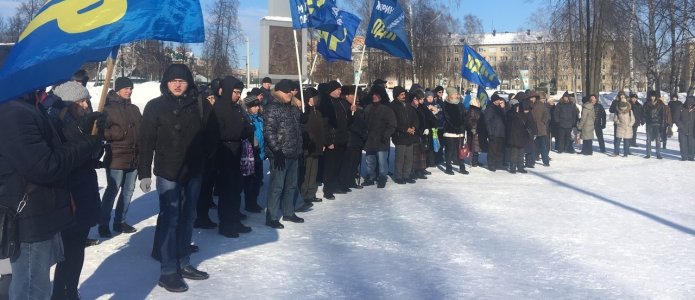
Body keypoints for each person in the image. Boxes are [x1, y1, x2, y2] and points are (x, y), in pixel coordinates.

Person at [0, 91, 102, 300]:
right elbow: (44, 166)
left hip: (40, 213)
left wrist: (79, 129)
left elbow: (48, 144)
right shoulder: (14, 111)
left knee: (36, 286)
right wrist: (86, 143)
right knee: (31, 290)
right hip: (29, 216)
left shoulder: (26, 106)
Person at [139, 64, 216, 292]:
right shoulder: (155, 106)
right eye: (173, 80)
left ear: (189, 82)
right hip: (168, 172)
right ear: (166, 82)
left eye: (182, 80)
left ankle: (183, 262)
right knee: (171, 219)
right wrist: (144, 172)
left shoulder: (200, 105)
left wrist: (203, 161)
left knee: (188, 216)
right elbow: (146, 141)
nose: (177, 84)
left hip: (193, 172)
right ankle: (168, 271)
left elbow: (213, 136)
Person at [45, 81, 105, 300]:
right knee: (63, 251)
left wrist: (98, 140)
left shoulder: (84, 121)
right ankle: (59, 293)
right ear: (68, 103)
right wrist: (85, 138)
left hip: (85, 192)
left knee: (77, 249)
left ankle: (71, 291)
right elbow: (63, 156)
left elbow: (89, 157)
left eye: (86, 99)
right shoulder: (54, 123)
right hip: (66, 195)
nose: (86, 104)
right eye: (80, 101)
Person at [99, 77, 142, 238]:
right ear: (118, 89)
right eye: (126, 88)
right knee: (112, 190)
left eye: (131, 88)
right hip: (116, 155)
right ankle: (103, 223)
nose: (129, 91)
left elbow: (141, 127)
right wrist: (115, 134)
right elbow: (100, 130)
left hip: (133, 155)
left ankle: (120, 221)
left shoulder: (135, 109)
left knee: (129, 191)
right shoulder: (108, 109)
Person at [213, 76, 254, 238]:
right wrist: (241, 132)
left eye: (239, 92)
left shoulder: (237, 108)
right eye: (236, 92)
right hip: (225, 155)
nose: (238, 95)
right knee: (226, 193)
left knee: (236, 191)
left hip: (238, 153)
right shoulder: (219, 108)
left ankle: (235, 220)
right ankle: (226, 224)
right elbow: (220, 132)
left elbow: (247, 126)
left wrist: (244, 130)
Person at [264, 79, 305, 229]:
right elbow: (269, 132)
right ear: (279, 91)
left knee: (291, 185)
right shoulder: (272, 107)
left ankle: (288, 212)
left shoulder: (291, 108)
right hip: (280, 154)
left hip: (293, 152)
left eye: (291, 91)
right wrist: (276, 151)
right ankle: (272, 216)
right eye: (287, 91)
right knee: (277, 186)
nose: (290, 94)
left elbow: (297, 128)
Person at [319, 81, 352, 199]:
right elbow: (325, 125)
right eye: (337, 89)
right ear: (331, 90)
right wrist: (329, 141)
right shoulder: (326, 103)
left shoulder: (342, 103)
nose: (340, 91)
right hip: (332, 140)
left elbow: (346, 121)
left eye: (340, 89)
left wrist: (351, 112)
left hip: (342, 138)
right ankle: (328, 189)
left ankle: (336, 184)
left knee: (339, 164)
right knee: (330, 166)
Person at [362, 85, 397, 188]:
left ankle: (382, 177)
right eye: (373, 94)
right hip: (370, 139)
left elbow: (392, 125)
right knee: (370, 161)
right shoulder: (368, 108)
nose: (374, 96)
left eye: (377, 95)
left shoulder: (387, 109)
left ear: (381, 96)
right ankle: (371, 177)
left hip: (382, 140)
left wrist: (386, 135)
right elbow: (363, 122)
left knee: (382, 163)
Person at [299, 87, 326, 203]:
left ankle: (311, 193)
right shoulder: (305, 112)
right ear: (309, 98)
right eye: (315, 97)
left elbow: (321, 129)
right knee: (307, 171)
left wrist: (323, 142)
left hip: (317, 145)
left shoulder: (318, 112)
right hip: (308, 146)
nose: (317, 99)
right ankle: (304, 194)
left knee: (313, 171)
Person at [241, 95, 265, 213]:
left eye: (257, 106)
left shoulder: (260, 119)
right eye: (254, 106)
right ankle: (249, 203)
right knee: (249, 181)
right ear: (248, 107)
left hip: (260, 154)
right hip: (251, 154)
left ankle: (254, 201)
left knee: (258, 180)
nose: (256, 108)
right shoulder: (246, 119)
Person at [389, 86, 419, 183]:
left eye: (404, 94)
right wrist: (405, 129)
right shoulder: (392, 106)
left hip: (410, 136)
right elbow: (393, 121)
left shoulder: (408, 104)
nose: (403, 96)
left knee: (409, 158)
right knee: (400, 158)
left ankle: (406, 175)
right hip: (399, 135)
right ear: (396, 95)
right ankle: (398, 176)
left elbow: (415, 117)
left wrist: (414, 127)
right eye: (401, 94)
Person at [343, 85, 366, 190]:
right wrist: (351, 112)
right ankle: (345, 181)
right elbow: (348, 123)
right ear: (347, 96)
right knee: (348, 162)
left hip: (358, 139)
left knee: (355, 162)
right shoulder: (345, 106)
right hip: (350, 139)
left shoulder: (359, 107)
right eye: (353, 95)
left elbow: (362, 122)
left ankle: (351, 180)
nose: (355, 97)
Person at [442, 87, 468, 175]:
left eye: (457, 94)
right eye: (455, 93)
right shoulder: (446, 105)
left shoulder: (461, 104)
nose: (457, 95)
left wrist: (463, 126)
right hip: (450, 131)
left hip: (460, 132)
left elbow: (465, 116)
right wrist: (457, 127)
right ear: (450, 95)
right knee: (449, 150)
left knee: (460, 150)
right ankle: (448, 167)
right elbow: (448, 118)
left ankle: (462, 167)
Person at [506, 98, 532, 174]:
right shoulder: (510, 113)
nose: (518, 107)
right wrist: (516, 112)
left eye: (518, 106)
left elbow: (527, 122)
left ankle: (520, 167)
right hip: (514, 135)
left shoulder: (522, 113)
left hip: (522, 135)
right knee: (514, 153)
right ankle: (512, 167)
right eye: (516, 106)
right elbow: (510, 118)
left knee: (521, 152)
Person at [485, 93, 506, 172]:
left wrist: (503, 108)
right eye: (497, 100)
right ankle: (491, 164)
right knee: (492, 149)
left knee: (499, 149)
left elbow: (504, 117)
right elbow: (487, 121)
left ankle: (498, 163)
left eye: (499, 100)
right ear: (494, 100)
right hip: (494, 132)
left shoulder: (499, 108)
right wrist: (490, 132)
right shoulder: (490, 108)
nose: (499, 101)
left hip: (501, 132)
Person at [643, 90, 666, 159]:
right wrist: (644, 119)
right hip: (649, 123)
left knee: (658, 139)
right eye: (651, 96)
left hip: (657, 124)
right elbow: (643, 113)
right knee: (648, 139)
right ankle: (648, 153)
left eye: (653, 96)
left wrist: (662, 123)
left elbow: (663, 115)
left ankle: (658, 153)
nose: (652, 98)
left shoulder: (660, 104)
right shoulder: (646, 104)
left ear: (656, 97)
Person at [531, 91, 550, 166]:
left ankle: (533, 161)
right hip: (539, 128)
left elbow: (546, 115)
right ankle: (545, 161)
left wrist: (542, 122)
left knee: (535, 146)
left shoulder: (536, 105)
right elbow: (546, 115)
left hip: (537, 128)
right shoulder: (540, 105)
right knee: (542, 146)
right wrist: (543, 122)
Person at [466, 94, 483, 167]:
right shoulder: (472, 110)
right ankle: (474, 161)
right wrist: (473, 128)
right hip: (474, 130)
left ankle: (476, 160)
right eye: (478, 102)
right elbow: (470, 120)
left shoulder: (478, 110)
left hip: (478, 129)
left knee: (477, 146)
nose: (479, 103)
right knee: (474, 146)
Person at [675, 96, 695, 161]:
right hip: (682, 130)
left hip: (692, 130)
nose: (690, 105)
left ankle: (691, 156)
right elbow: (676, 119)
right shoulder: (680, 108)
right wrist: (681, 127)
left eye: (691, 104)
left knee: (691, 144)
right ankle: (684, 156)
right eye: (689, 104)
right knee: (683, 144)